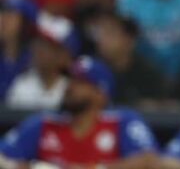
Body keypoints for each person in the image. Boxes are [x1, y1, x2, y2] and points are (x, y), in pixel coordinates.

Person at [0, 56, 159, 167]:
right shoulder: (44, 124)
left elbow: (150, 161)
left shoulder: (121, 121)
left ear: (100, 94)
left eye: (81, 82)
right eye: (71, 80)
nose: (70, 86)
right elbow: (3, 157)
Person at [6, 12, 79, 110]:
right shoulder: (21, 85)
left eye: (47, 46)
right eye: (38, 43)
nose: (38, 50)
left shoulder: (74, 90)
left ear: (64, 56)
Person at [93, 10, 167, 107]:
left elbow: (163, 109)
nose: (102, 39)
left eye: (110, 34)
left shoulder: (150, 75)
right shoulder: (92, 71)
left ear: (129, 39)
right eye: (100, 33)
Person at [0, 0, 36, 99]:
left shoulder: (34, 59)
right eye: (2, 13)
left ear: (26, 24)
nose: (2, 21)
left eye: (10, 15)